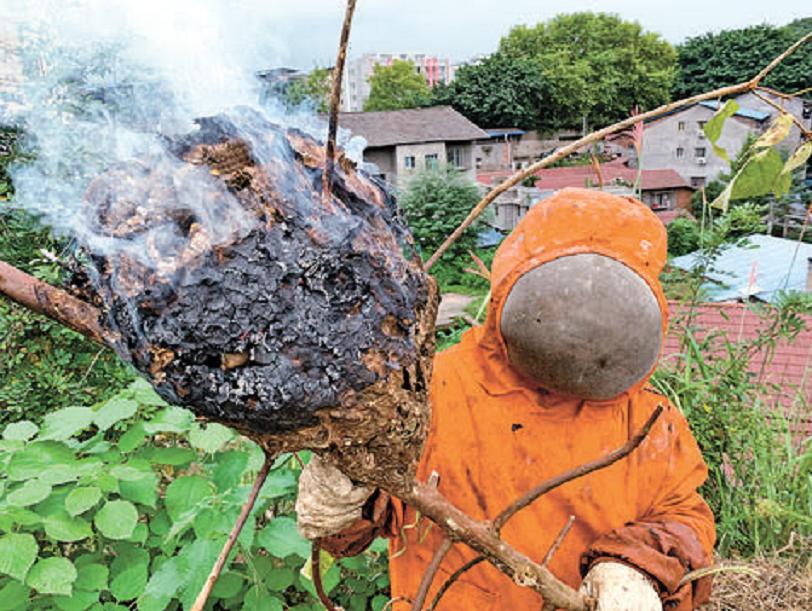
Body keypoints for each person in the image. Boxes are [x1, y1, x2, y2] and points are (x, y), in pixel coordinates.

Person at [296, 188, 715, 610]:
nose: (579, 324)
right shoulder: (433, 391)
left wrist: (638, 567)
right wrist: (343, 500)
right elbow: (361, 522)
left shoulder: (649, 426)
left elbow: (684, 520)